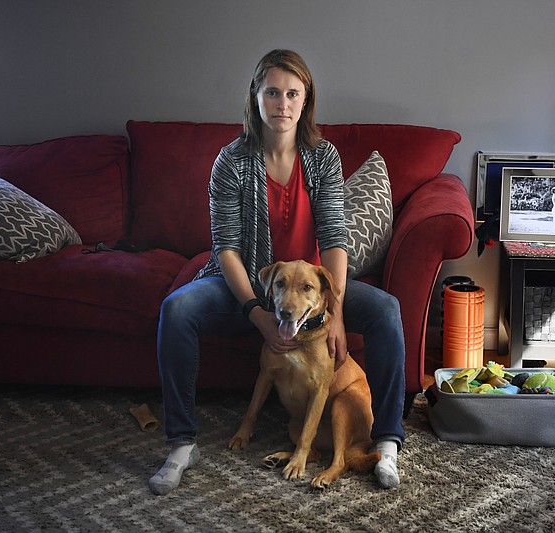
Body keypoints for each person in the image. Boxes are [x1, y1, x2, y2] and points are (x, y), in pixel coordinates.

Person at [148, 49, 406, 495]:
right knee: (176, 309)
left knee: (385, 310)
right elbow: (225, 248)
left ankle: (387, 441)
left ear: (306, 101)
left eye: (292, 93)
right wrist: (256, 312)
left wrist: (336, 312)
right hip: (245, 284)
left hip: (311, 291)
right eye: (272, 92)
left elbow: (335, 240)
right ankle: (181, 443)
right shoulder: (230, 161)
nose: (282, 104)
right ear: (256, 97)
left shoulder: (323, 158)